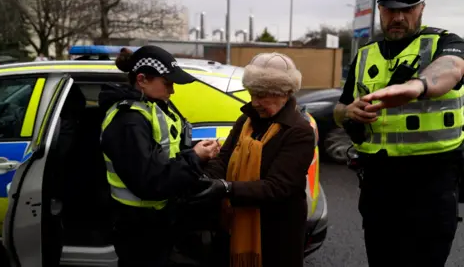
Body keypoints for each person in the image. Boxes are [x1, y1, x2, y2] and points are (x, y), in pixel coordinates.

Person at [333, 0, 464, 266]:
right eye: (391, 10)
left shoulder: (446, 42)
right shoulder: (365, 53)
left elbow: (452, 67)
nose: (399, 18)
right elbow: (340, 107)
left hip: (431, 182)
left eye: (407, 10)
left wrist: (417, 86)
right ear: (380, 9)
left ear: (421, 9)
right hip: (378, 183)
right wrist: (349, 112)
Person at [99, 45, 221, 267]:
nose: (172, 90)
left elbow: (163, 152)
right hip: (138, 228)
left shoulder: (152, 107)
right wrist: (194, 157)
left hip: (156, 221)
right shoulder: (128, 121)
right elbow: (149, 180)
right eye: (168, 83)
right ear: (142, 79)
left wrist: (196, 149)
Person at [191, 52, 316, 267]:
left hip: (276, 232)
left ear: (284, 93)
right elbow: (223, 159)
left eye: (262, 95)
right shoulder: (246, 120)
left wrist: (226, 188)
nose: (255, 102)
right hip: (236, 223)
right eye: (252, 93)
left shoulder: (299, 131)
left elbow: (278, 187)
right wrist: (206, 180)